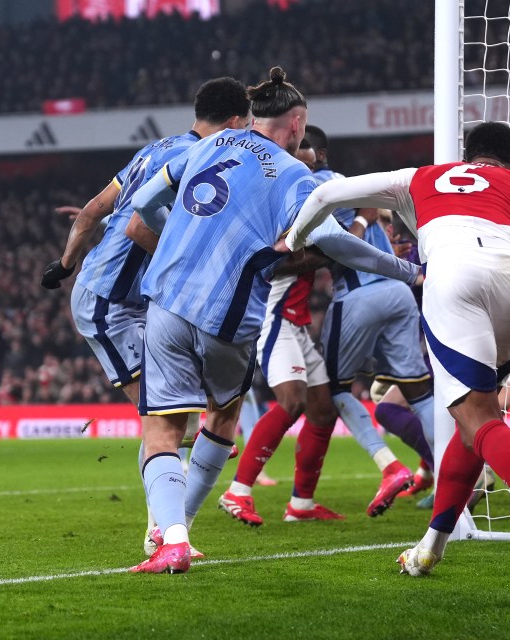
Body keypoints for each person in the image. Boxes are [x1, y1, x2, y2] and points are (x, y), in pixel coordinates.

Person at [280, 121, 510, 603]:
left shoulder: (419, 176)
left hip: (452, 280)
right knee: (475, 420)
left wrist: (295, 239)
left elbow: (328, 195)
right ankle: (431, 546)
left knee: (476, 419)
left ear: (465, 156)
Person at [126, 67, 419, 574]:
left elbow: (144, 201)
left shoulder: (210, 144)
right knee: (221, 418)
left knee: (161, 433)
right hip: (227, 316)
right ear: (298, 122)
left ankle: (169, 538)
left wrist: (170, 234)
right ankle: (184, 528)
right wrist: (406, 270)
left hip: (167, 303)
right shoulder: (291, 174)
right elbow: (334, 242)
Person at [40, 76, 252, 555]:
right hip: (109, 304)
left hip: (128, 298)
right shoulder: (198, 161)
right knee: (165, 418)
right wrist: (190, 264)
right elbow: (139, 228)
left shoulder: (153, 151)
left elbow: (91, 212)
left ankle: (163, 525)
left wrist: (65, 263)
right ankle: (161, 530)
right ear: (238, 122)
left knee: (172, 416)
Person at [216, 141, 421, 526]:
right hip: (274, 319)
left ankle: (302, 504)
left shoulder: (304, 202)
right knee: (292, 402)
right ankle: (238, 491)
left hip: (297, 324)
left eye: (309, 167)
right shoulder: (280, 205)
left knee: (324, 408)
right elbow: (310, 253)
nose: (306, 177)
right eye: (301, 167)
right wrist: (362, 222)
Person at [304, 125, 438, 517]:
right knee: (418, 392)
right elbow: (374, 209)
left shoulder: (306, 188)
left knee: (335, 388)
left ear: (318, 153)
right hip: (398, 292)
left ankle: (389, 466)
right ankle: (451, 478)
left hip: (358, 295)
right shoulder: (348, 183)